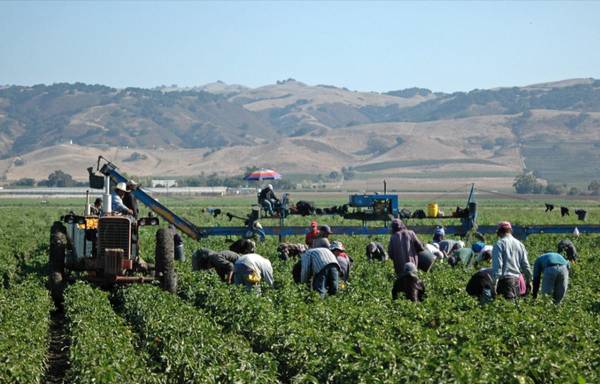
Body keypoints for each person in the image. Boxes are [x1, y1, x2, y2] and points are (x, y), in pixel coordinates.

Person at [491, 221, 533, 299]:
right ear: (510, 231)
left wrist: (494, 283)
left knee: (505, 307)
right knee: (514, 307)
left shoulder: (499, 244)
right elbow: (525, 265)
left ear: (499, 232)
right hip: (516, 281)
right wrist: (529, 281)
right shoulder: (520, 244)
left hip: (505, 282)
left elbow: (498, 265)